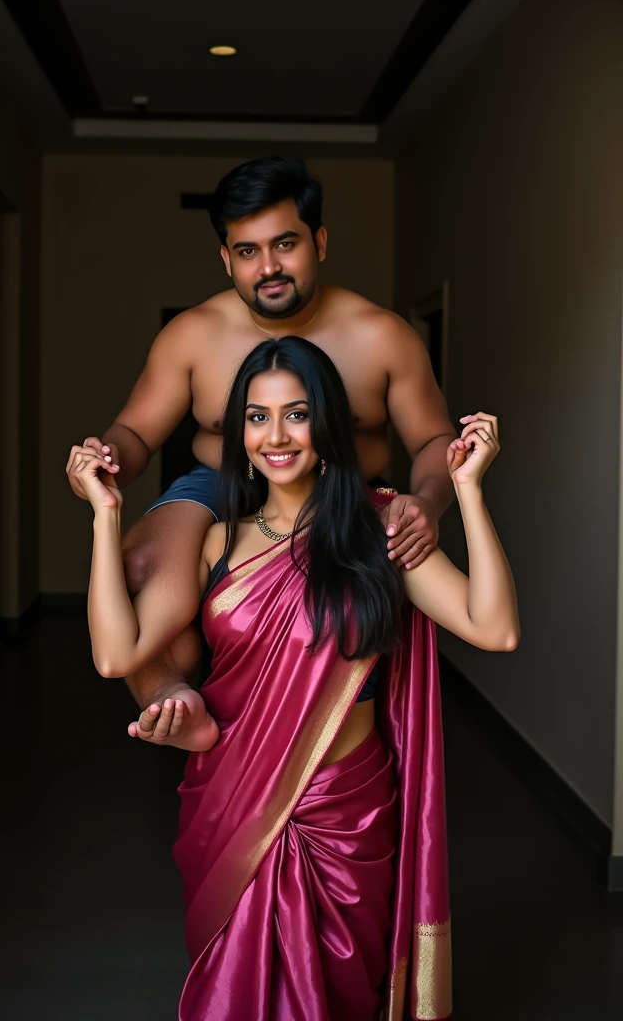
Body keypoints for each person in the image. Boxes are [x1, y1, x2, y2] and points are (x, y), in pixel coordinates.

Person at [71, 336, 519, 1021]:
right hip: (235, 807)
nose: (275, 436)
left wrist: (467, 493)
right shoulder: (218, 543)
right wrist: (106, 519)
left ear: (329, 423)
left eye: (296, 414)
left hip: (348, 819)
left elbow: (495, 627)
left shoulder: (379, 530)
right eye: (256, 417)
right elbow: (117, 651)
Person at [65, 156, 458, 714]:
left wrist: (428, 502)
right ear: (226, 259)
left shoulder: (382, 336)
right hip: (222, 482)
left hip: (342, 489)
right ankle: (171, 702)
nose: (268, 266)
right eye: (247, 251)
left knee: (354, 602)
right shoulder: (194, 334)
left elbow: (433, 442)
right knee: (137, 567)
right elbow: (133, 431)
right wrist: (104, 460)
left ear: (319, 242)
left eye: (285, 244)